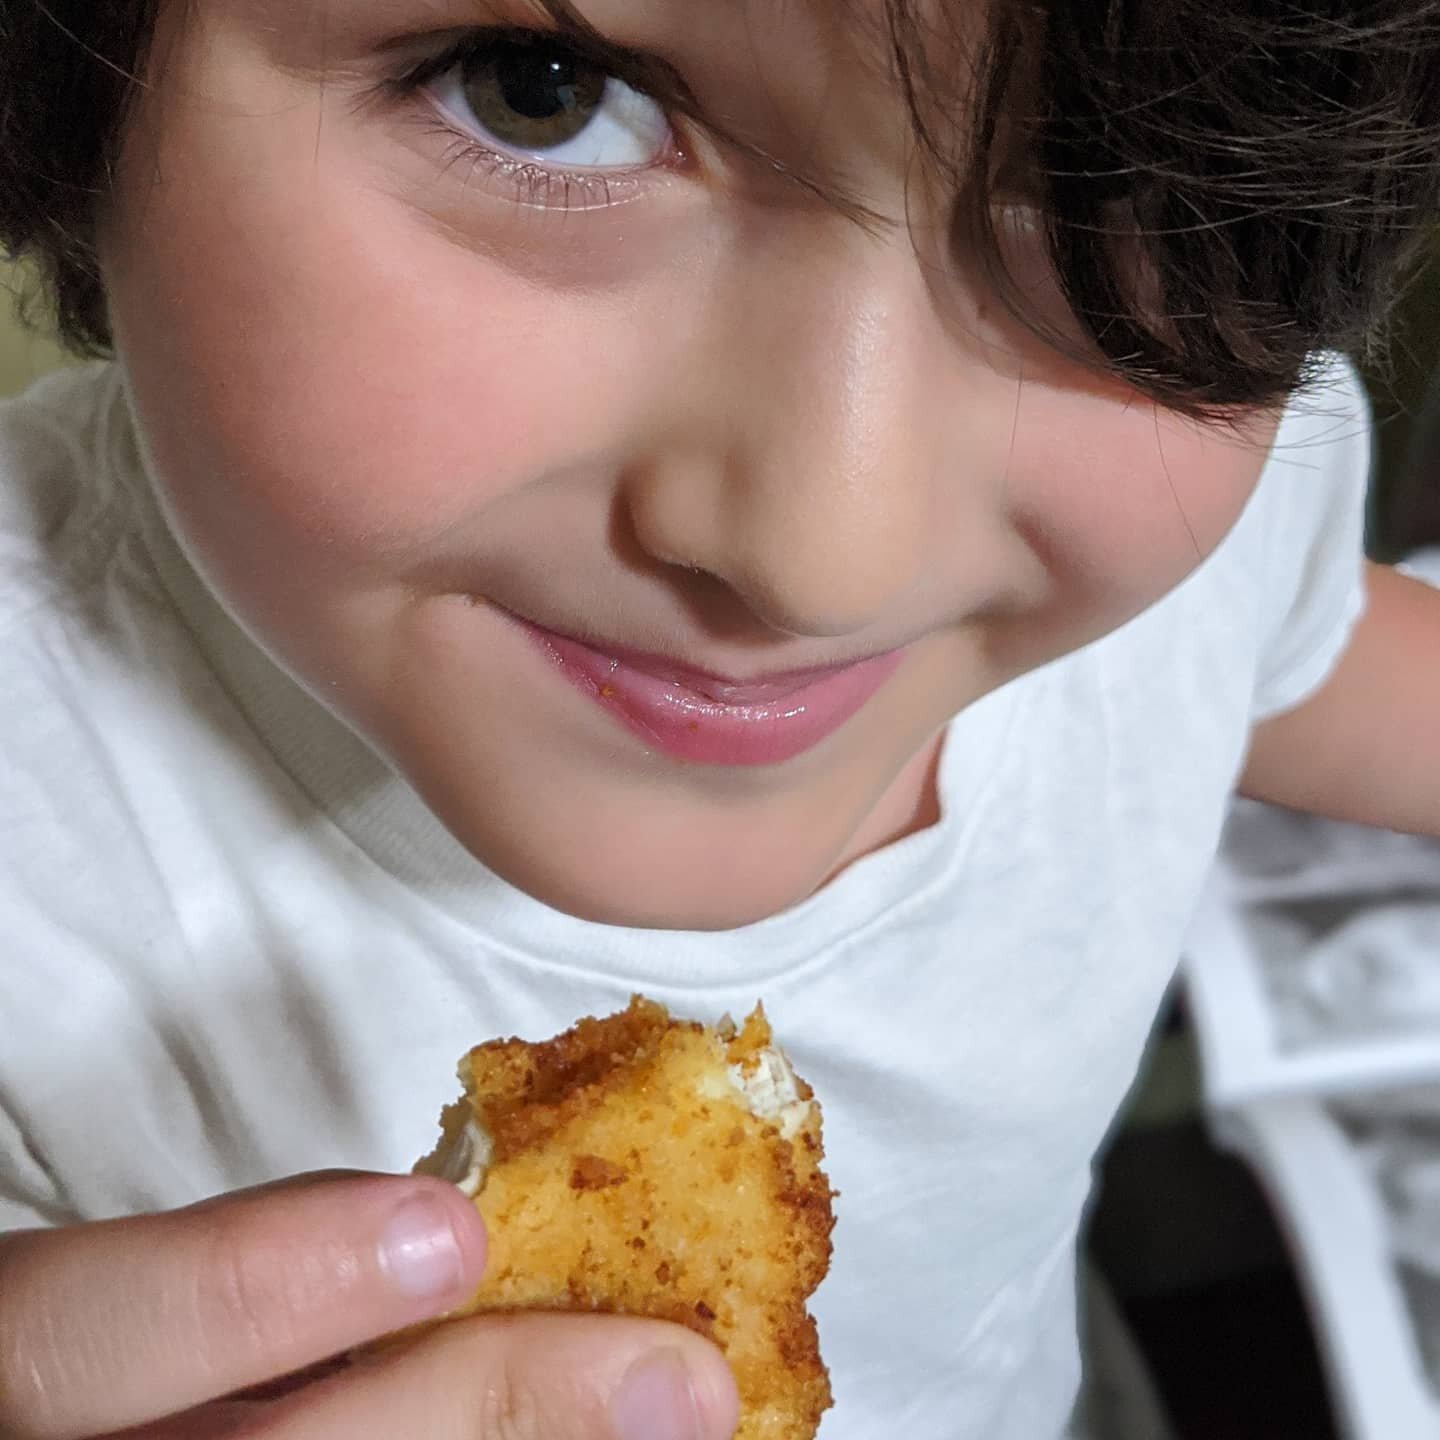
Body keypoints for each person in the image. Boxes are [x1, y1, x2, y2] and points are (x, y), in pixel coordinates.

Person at [1, 1, 1438, 1437]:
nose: (827, 560)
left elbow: (1293, 659)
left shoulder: (1210, 518)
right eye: (543, 96)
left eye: (1120, 181)